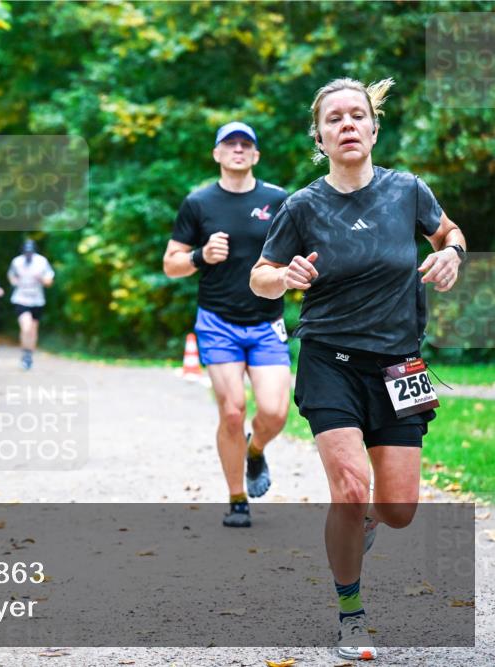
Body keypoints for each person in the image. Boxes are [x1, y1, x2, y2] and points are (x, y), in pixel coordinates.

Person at [249, 77, 466, 661]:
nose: (347, 125)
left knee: (398, 510)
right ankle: (352, 615)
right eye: (334, 119)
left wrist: (450, 253)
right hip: (330, 361)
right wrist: (283, 277)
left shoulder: (408, 191)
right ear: (319, 136)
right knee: (349, 488)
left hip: (401, 364)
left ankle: (367, 520)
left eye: (357, 116)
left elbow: (449, 232)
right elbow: (260, 275)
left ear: (373, 128)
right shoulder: (302, 206)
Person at [162, 121, 292, 529]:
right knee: (233, 412)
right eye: (229, 144)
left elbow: (298, 253)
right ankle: (237, 498)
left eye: (245, 144)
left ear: (255, 155)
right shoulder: (198, 203)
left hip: (267, 321)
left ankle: (256, 452)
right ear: (217, 154)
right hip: (218, 322)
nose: (237, 149)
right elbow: (171, 264)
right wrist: (201, 256)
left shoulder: (279, 200)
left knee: (273, 413)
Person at [7, 239, 54, 370]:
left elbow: (50, 281)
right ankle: (25, 352)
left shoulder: (42, 262)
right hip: (21, 299)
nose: (28, 254)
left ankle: (28, 355)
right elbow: (11, 275)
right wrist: (15, 281)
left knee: (33, 330)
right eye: (26, 252)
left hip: (37, 300)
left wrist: (42, 279)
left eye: (30, 252)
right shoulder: (17, 262)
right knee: (25, 326)